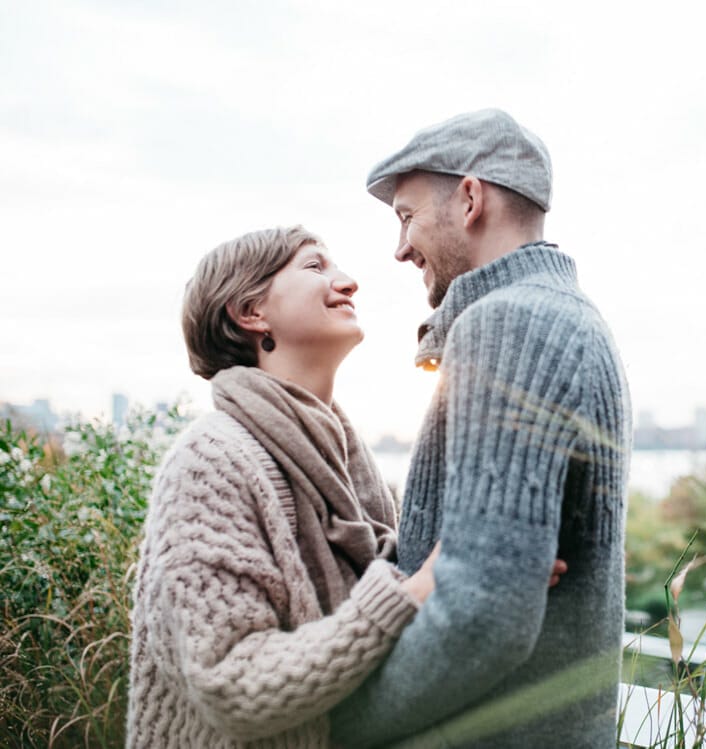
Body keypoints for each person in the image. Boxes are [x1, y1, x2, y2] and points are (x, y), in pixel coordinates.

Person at [332, 109, 632, 748]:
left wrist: (340, 728)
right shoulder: (566, 315)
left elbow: (482, 615)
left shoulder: (510, 324)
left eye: (406, 217)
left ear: (470, 198)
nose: (400, 247)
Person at [126, 226, 439, 748]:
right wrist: (410, 595)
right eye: (315, 267)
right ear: (251, 313)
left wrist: (485, 565)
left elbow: (415, 565)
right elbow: (231, 682)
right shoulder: (211, 462)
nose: (348, 282)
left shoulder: (342, 463)